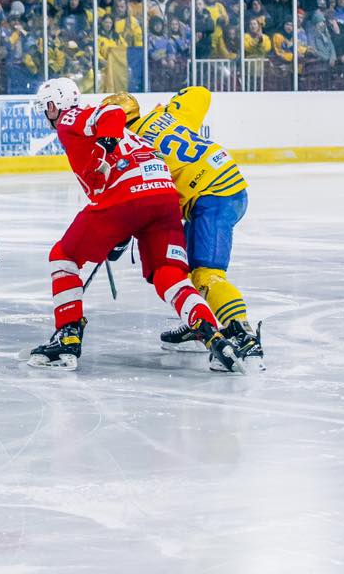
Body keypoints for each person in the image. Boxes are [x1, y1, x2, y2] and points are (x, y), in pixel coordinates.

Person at [27, 77, 245, 373]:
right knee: (170, 274)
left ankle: (67, 337)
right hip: (164, 195)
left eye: (46, 108)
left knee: (63, 257)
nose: (46, 114)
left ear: (54, 105)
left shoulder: (71, 117)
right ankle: (214, 338)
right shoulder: (137, 133)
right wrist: (116, 233)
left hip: (129, 195)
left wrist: (104, 144)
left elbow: (111, 115)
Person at [106, 87, 263, 367]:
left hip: (213, 198)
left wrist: (117, 239)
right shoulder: (166, 116)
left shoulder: (132, 147)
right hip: (225, 185)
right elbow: (200, 93)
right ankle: (200, 324)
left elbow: (139, 199)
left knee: (207, 275)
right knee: (187, 269)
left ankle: (243, 335)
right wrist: (171, 106)